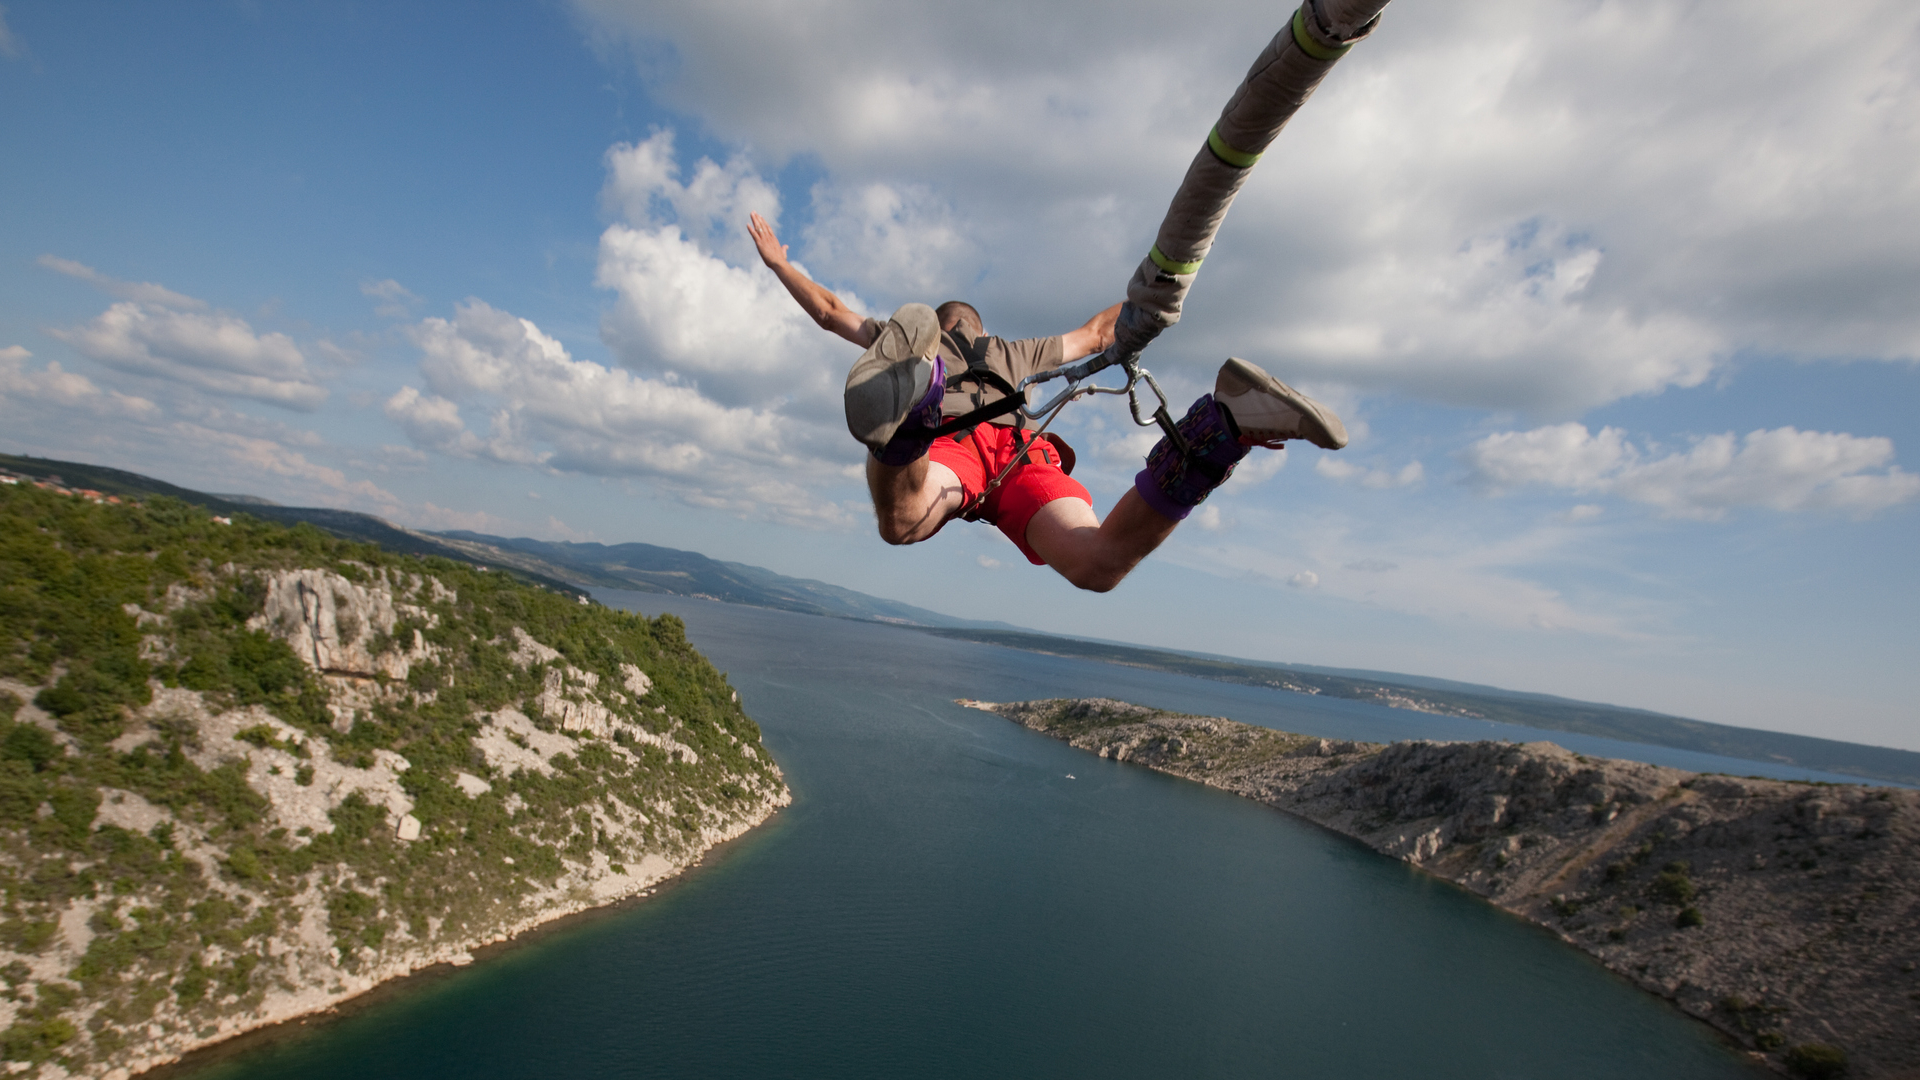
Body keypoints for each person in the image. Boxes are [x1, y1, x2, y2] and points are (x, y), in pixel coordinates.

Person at [748, 211, 1348, 593]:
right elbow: (1096, 333)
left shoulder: (907, 340)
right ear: (979, 326)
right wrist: (1162, 285)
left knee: (902, 522)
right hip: (1017, 454)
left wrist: (780, 264)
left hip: (955, 449)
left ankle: (912, 419)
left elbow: (830, 312)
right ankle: (1219, 432)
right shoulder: (1016, 350)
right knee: (1096, 566)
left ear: (935, 326)